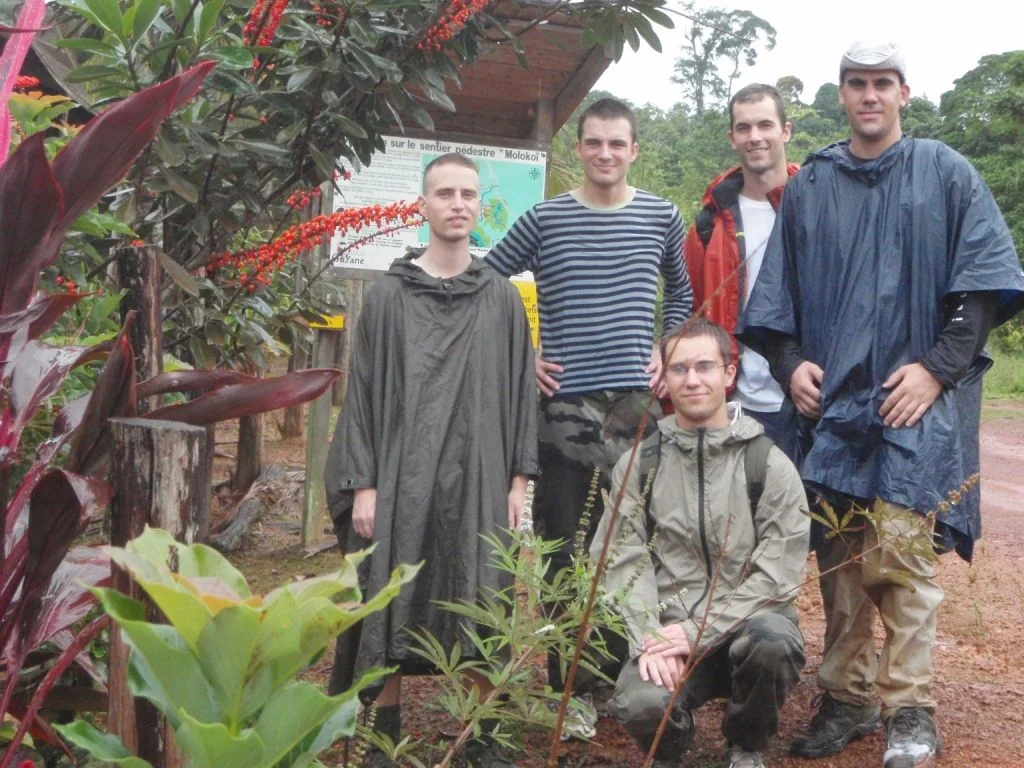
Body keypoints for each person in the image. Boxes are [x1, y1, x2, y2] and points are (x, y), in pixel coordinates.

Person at [738, 41, 1024, 768]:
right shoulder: (813, 186)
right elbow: (778, 302)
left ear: (903, 92)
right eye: (857, 84)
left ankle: (910, 709)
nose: (870, 95)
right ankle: (847, 696)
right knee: (840, 560)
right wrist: (790, 362)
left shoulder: (944, 173)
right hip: (834, 410)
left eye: (882, 84)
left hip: (910, 407)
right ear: (841, 94)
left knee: (898, 558)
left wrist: (934, 372)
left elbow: (981, 291)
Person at [325, 153, 539, 768]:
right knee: (390, 590)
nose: (457, 204)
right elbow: (361, 392)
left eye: (468, 194)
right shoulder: (389, 297)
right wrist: (362, 485)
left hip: (479, 476)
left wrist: (519, 479)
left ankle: (488, 738)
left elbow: (520, 389)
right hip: (400, 477)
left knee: (481, 588)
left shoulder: (500, 298)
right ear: (423, 205)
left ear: (480, 205)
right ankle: (381, 740)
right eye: (444, 193)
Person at [485, 97, 693, 720]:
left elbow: (680, 287)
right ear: (579, 147)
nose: (606, 154)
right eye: (594, 143)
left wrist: (671, 346)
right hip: (565, 407)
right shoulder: (546, 219)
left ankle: (627, 675)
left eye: (617, 144)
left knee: (633, 539)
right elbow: (489, 282)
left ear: (634, 150)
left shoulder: (661, 216)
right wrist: (524, 359)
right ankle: (568, 688)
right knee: (562, 543)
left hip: (638, 408)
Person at [591, 318, 809, 768]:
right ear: (665, 379)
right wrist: (649, 636)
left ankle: (746, 745)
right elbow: (618, 559)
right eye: (679, 369)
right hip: (666, 630)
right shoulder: (639, 464)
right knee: (638, 702)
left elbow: (777, 576)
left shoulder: (768, 463)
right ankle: (671, 749)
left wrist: (695, 633)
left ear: (729, 374)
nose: (692, 380)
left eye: (705, 367)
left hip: (748, 627)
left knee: (774, 642)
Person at [683, 83, 802, 461]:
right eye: (744, 128)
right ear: (731, 137)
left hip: (809, 401)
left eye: (765, 125)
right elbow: (691, 312)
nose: (755, 137)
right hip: (735, 402)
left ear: (786, 130)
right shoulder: (708, 224)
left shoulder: (819, 208)